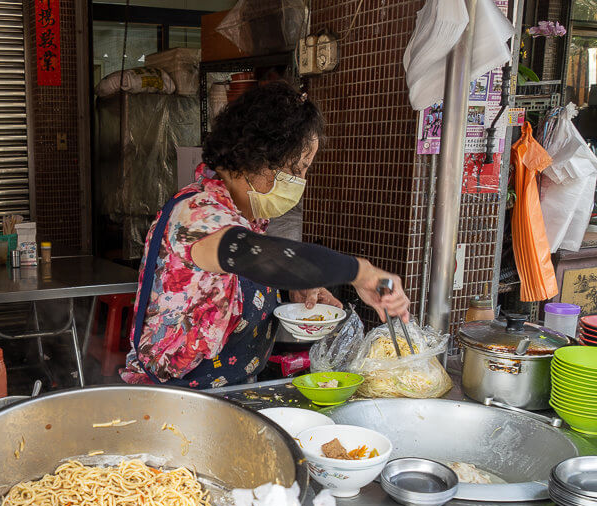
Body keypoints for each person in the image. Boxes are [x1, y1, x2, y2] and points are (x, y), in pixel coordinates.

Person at [121, 82, 411, 389]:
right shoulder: (197, 214)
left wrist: (296, 288)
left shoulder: (246, 216)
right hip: (176, 396)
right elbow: (258, 256)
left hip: (234, 389)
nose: (301, 182)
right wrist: (360, 271)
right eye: (295, 170)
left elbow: (240, 277)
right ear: (253, 157)